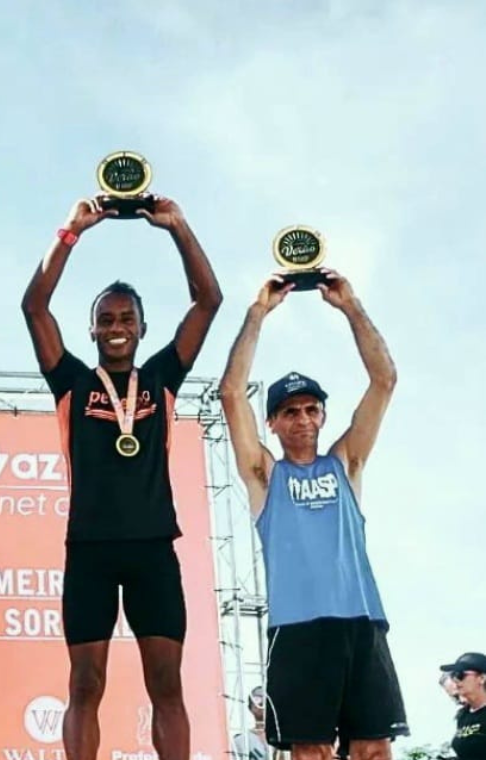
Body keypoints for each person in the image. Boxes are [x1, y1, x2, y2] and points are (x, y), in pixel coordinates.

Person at [20, 195, 222, 760]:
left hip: (153, 548)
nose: (116, 328)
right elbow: (34, 306)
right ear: (91, 330)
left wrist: (178, 227)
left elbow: (208, 301)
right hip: (90, 549)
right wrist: (70, 232)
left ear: (141, 328)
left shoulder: (160, 378)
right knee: (85, 684)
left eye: (126, 319)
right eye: (106, 320)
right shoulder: (71, 382)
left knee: (166, 685)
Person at [218, 269, 407, 760]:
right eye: (290, 411)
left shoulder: (347, 462)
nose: (302, 418)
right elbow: (231, 394)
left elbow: (384, 380)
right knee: (311, 752)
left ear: (322, 415)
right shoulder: (265, 475)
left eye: (310, 409)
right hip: (298, 628)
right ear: (273, 422)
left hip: (361, 621)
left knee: (373, 748)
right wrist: (258, 311)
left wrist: (350, 306)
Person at [442, 653, 486, 760]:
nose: (456, 680)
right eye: (453, 675)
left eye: (461, 675)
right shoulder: (463, 716)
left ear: (482, 678)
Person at [233, 686, 272, 760]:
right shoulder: (240, 741)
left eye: (266, 700)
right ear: (250, 707)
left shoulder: (283, 738)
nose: (262, 704)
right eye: (257, 699)